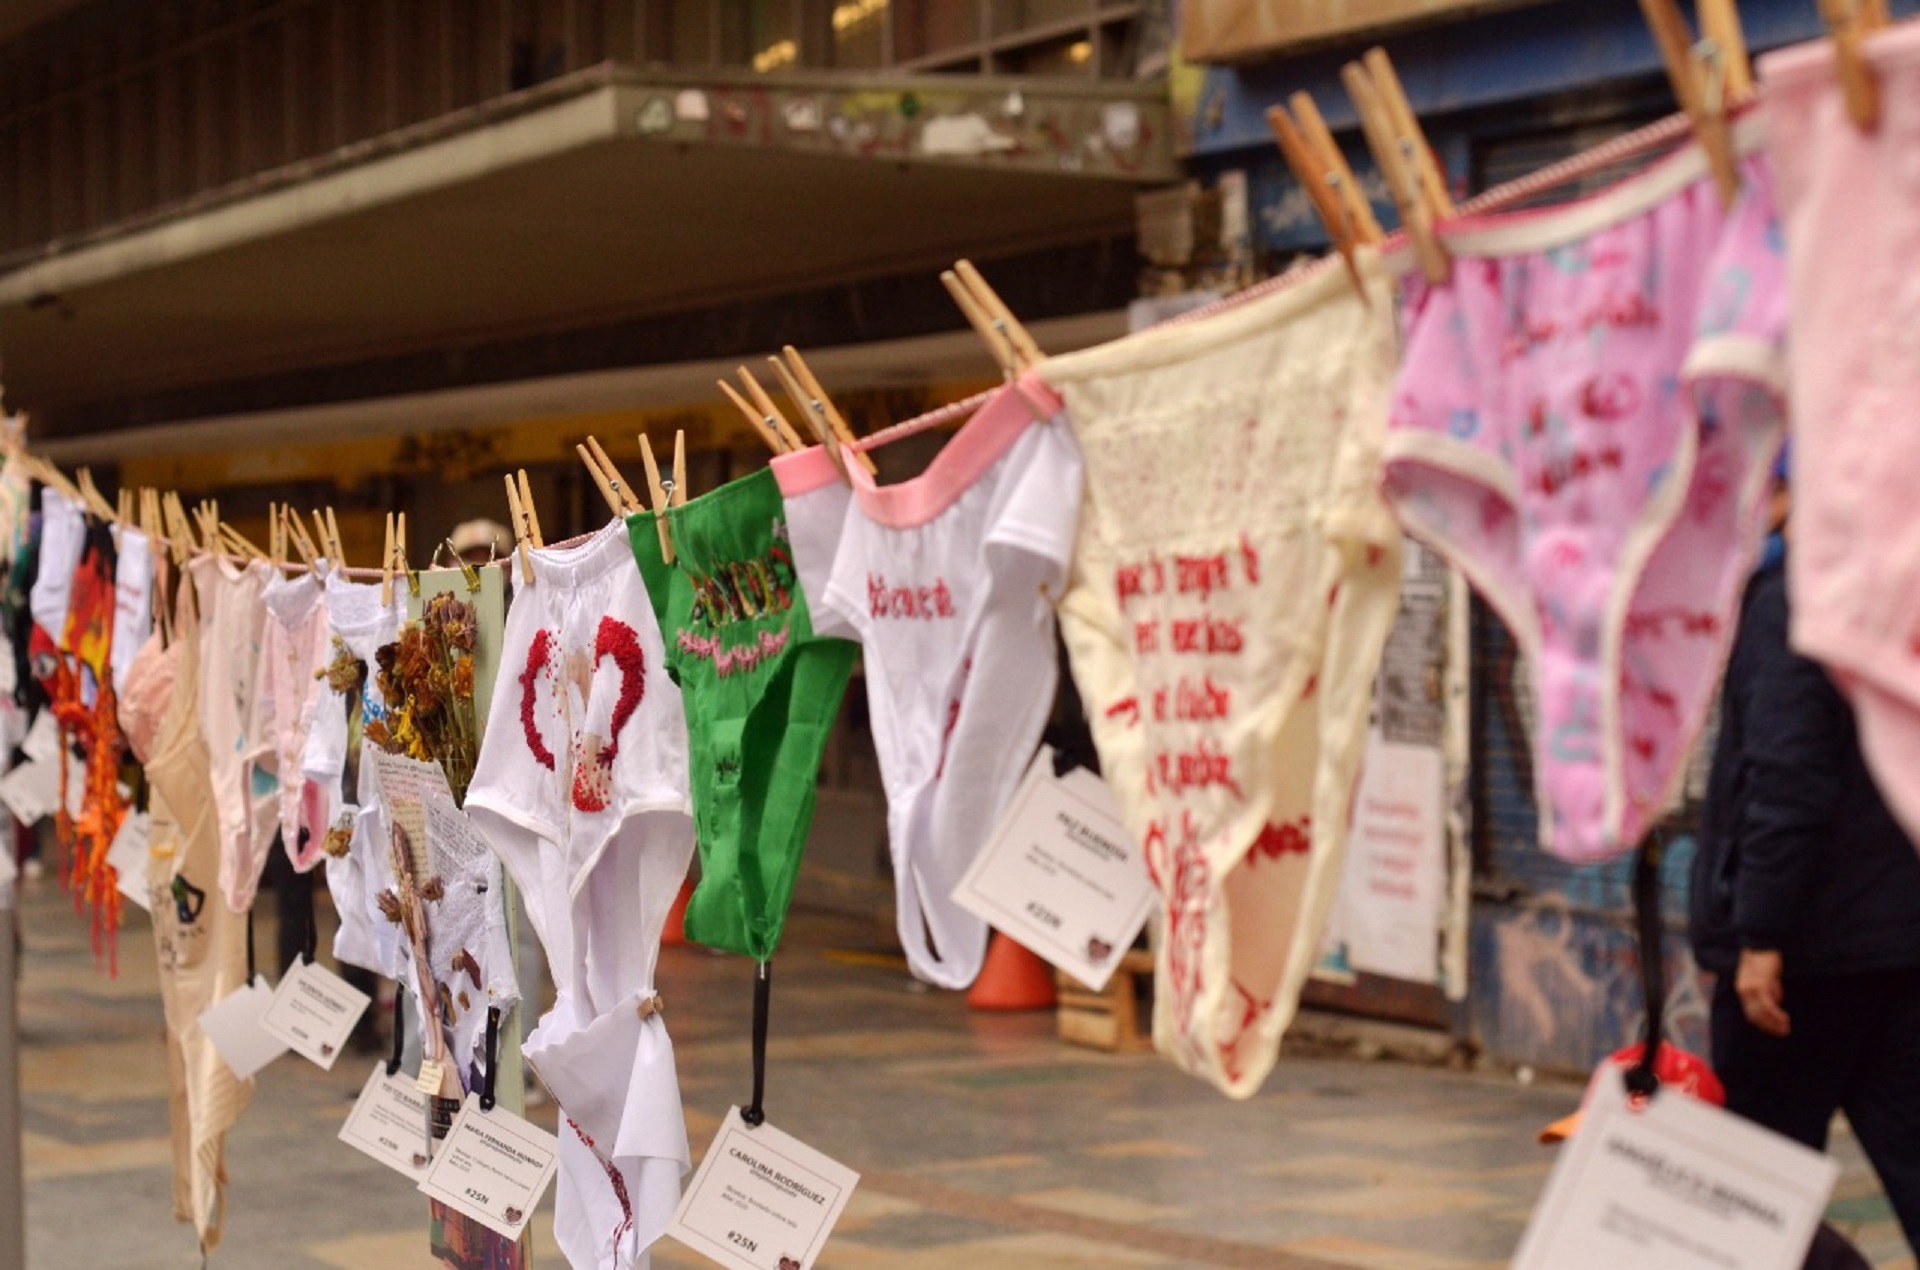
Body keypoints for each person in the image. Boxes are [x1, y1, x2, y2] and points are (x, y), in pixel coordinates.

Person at [1691, 464, 1920, 1256]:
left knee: (1753, 1196)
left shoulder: (1793, 602)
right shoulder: (1892, 599)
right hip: (1897, 943)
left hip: (1802, 962)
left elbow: (1787, 779)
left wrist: (1760, 935)